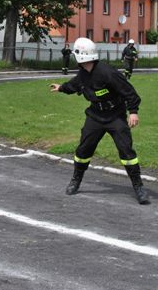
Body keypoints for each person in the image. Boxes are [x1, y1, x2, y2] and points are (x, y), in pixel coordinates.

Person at [49, 37, 150, 205]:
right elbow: (74, 85)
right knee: (83, 150)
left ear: (81, 56)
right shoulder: (83, 74)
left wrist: (133, 112)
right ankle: (76, 179)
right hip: (95, 116)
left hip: (115, 117)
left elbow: (130, 93)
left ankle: (139, 187)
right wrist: (61, 88)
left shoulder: (107, 73)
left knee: (126, 152)